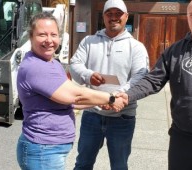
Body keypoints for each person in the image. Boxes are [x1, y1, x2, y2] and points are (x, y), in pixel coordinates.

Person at [117, 0, 192, 169]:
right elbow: (153, 80)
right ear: (187, 17)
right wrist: (128, 95)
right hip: (182, 138)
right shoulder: (175, 51)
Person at [16, 12, 124, 170]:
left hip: (50, 149)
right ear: (31, 37)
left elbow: (68, 102)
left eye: (53, 34)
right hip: (42, 150)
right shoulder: (35, 67)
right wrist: (110, 98)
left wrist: (99, 104)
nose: (49, 40)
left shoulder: (52, 63)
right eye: (42, 34)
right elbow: (75, 94)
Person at [70, 0, 149, 169]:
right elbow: (75, 65)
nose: (114, 18)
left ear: (126, 17)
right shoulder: (89, 42)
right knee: (83, 163)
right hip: (92, 114)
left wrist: (113, 97)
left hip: (123, 117)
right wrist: (88, 75)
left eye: (118, 14)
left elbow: (140, 77)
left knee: (119, 166)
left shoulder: (136, 47)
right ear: (103, 17)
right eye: (109, 14)